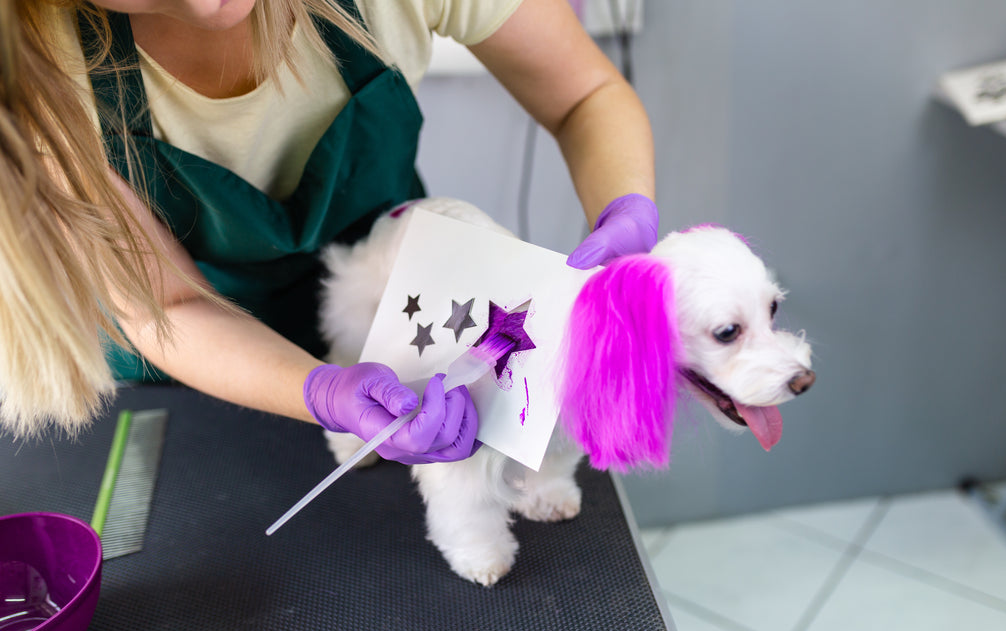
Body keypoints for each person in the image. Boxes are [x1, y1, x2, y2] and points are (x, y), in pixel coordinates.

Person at [0, 0, 657, 465]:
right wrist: (319, 391)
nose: (209, 3)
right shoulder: (38, 63)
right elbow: (170, 303)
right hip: (190, 387)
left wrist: (627, 208)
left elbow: (583, 96)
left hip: (399, 324)